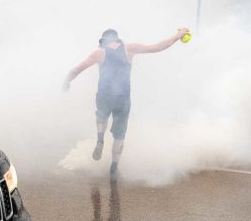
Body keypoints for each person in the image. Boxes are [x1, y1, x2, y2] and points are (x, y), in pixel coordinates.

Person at [63, 27, 189, 178]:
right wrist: (178, 35)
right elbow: (158, 47)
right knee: (119, 135)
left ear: (103, 41)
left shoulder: (100, 53)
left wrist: (67, 81)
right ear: (117, 39)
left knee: (101, 116)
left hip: (104, 95)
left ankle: (100, 138)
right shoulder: (130, 49)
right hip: (123, 98)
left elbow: (78, 69)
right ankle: (114, 167)